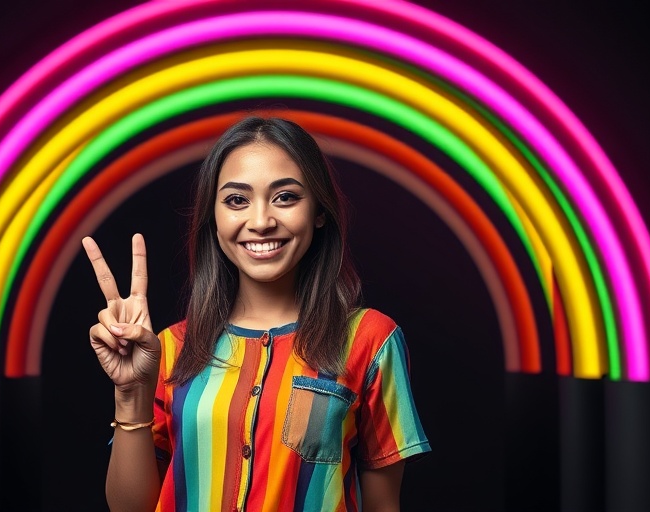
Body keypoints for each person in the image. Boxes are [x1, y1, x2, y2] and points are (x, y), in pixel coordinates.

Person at [83, 116, 430, 511]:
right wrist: (131, 394)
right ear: (213, 218)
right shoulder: (170, 348)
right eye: (236, 200)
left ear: (319, 210)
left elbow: (384, 505)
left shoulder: (371, 340)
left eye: (285, 197)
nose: (261, 222)